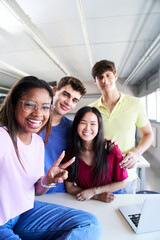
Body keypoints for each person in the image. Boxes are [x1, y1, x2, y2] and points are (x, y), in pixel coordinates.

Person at [0, 76, 102, 240]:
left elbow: (36, 190)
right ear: (13, 105)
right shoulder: (3, 137)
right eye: (29, 105)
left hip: (24, 210)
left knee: (90, 225)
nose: (38, 113)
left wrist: (47, 180)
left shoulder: (38, 142)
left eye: (45, 107)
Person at [89, 60, 153, 194]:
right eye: (100, 77)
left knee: (128, 212)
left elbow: (148, 134)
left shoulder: (135, 104)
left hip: (127, 174)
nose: (105, 80)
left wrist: (136, 153)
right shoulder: (91, 109)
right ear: (95, 81)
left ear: (115, 76)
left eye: (108, 75)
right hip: (102, 174)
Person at [64, 106, 128, 202]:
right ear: (76, 125)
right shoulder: (71, 153)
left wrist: (94, 191)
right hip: (87, 200)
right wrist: (96, 196)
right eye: (83, 123)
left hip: (114, 199)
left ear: (99, 127)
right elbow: (70, 188)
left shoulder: (111, 150)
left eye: (93, 124)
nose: (87, 128)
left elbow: (122, 182)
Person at [40, 76, 86, 193]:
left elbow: (91, 147)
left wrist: (107, 143)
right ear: (54, 91)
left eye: (74, 100)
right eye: (65, 94)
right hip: (27, 190)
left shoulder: (73, 130)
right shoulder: (32, 122)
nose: (68, 102)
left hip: (57, 192)